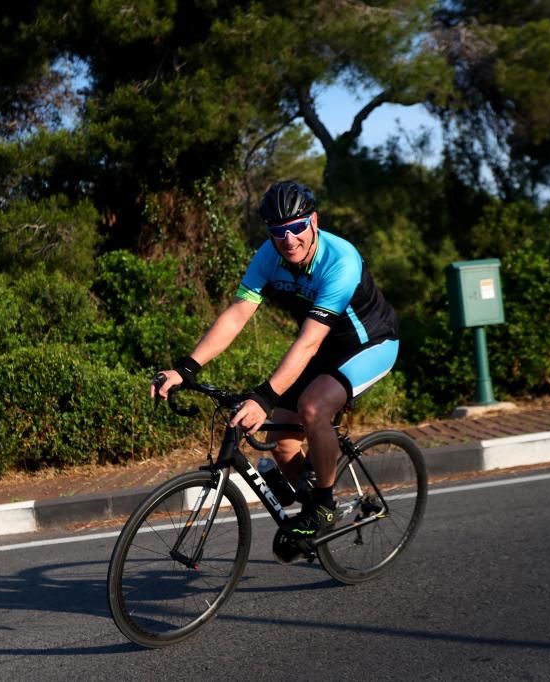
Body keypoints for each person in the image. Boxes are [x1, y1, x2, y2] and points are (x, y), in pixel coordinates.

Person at [151, 180, 399, 554]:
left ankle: (325, 507)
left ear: (314, 221)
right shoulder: (268, 256)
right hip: (322, 348)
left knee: (313, 407)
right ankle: (310, 502)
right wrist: (186, 368)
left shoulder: (341, 260)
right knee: (283, 447)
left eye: (298, 227)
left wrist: (265, 397)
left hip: (370, 344)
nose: (289, 239)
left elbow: (308, 342)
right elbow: (237, 315)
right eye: (278, 231)